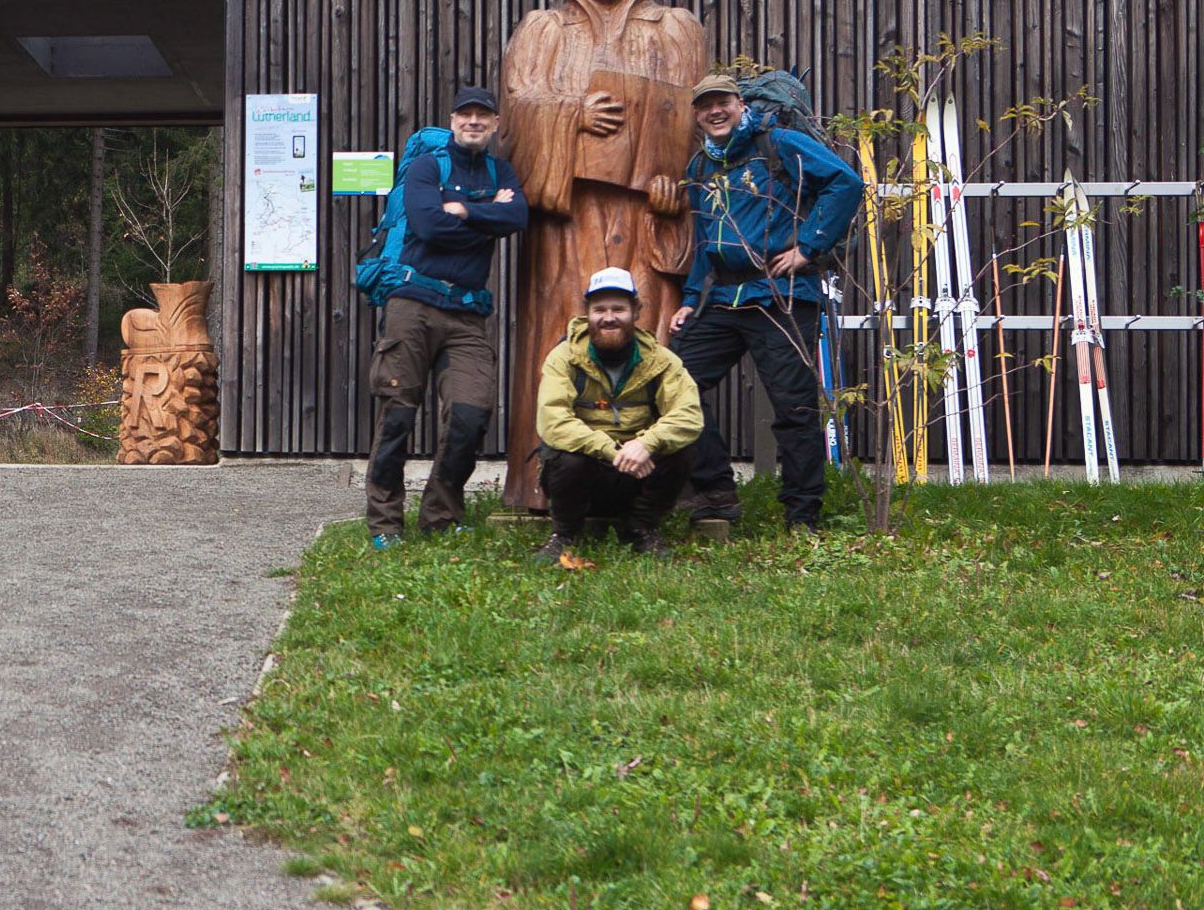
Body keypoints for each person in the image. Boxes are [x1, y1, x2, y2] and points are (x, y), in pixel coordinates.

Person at [497, 0, 707, 511]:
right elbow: (516, 110)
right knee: (560, 337)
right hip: (567, 221)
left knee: (650, 337)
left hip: (648, 222)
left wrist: (678, 180)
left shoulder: (676, 27)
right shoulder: (545, 28)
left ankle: (654, 489)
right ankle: (545, 484)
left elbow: (695, 117)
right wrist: (571, 115)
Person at [667, 73, 866, 530]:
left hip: (783, 296)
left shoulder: (780, 143)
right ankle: (716, 489)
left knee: (794, 407)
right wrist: (691, 298)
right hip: (723, 296)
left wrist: (809, 248)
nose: (715, 111)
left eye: (723, 102)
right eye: (705, 106)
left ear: (740, 104)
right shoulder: (700, 167)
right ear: (697, 115)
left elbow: (845, 183)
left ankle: (803, 514)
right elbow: (704, 240)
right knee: (675, 383)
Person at [363, 86, 528, 543]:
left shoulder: (502, 169)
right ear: (453, 120)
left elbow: (517, 217)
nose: (474, 122)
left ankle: (440, 516)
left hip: (467, 314)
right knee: (398, 415)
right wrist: (483, 218)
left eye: (483, 115)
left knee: (470, 414)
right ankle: (385, 524)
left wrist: (462, 210)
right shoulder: (426, 166)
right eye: (465, 115)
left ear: (495, 124)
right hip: (412, 305)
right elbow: (428, 225)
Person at [534, 268, 705, 562]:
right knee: (565, 455)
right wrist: (610, 450)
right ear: (587, 313)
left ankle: (642, 528)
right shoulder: (563, 357)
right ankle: (564, 534)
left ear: (635, 312)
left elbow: (689, 414)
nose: (609, 317)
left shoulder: (661, 360)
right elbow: (553, 421)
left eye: (618, 309)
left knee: (682, 447)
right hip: (585, 472)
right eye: (599, 309)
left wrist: (647, 443)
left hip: (638, 474)